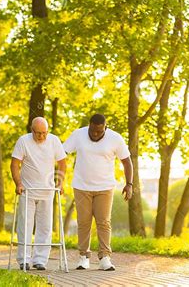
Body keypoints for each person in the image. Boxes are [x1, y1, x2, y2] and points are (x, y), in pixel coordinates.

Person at [63, 113, 133, 271]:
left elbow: (127, 161)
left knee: (103, 222)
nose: (95, 134)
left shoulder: (115, 138)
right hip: (82, 186)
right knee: (84, 222)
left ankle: (105, 257)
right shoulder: (78, 134)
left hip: (105, 187)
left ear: (105, 128)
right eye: (92, 130)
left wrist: (129, 184)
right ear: (89, 126)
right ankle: (83, 257)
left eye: (99, 132)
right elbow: (62, 153)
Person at [10, 117, 66, 271]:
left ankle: (40, 260)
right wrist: (18, 183)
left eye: (44, 133)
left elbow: (62, 163)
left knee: (45, 227)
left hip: (47, 191)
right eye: (38, 133)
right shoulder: (23, 141)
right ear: (32, 130)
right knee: (25, 226)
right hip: (27, 191)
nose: (41, 136)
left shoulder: (54, 141)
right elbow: (15, 164)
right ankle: (24, 260)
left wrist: (60, 183)